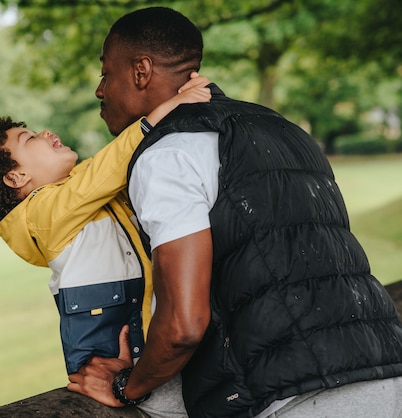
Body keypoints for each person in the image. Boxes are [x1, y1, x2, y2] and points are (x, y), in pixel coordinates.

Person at [67, 7, 402, 418]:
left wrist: (126, 386)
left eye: (105, 73)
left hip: (296, 398)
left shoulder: (168, 154)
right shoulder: (284, 130)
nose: (100, 90)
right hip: (386, 371)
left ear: (141, 71)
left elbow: (183, 326)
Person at [0, 73, 211, 417]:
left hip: (141, 346)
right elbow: (110, 167)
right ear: (16, 176)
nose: (45, 132)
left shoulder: (75, 199)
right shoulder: (43, 215)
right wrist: (172, 105)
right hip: (116, 359)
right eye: (29, 137)